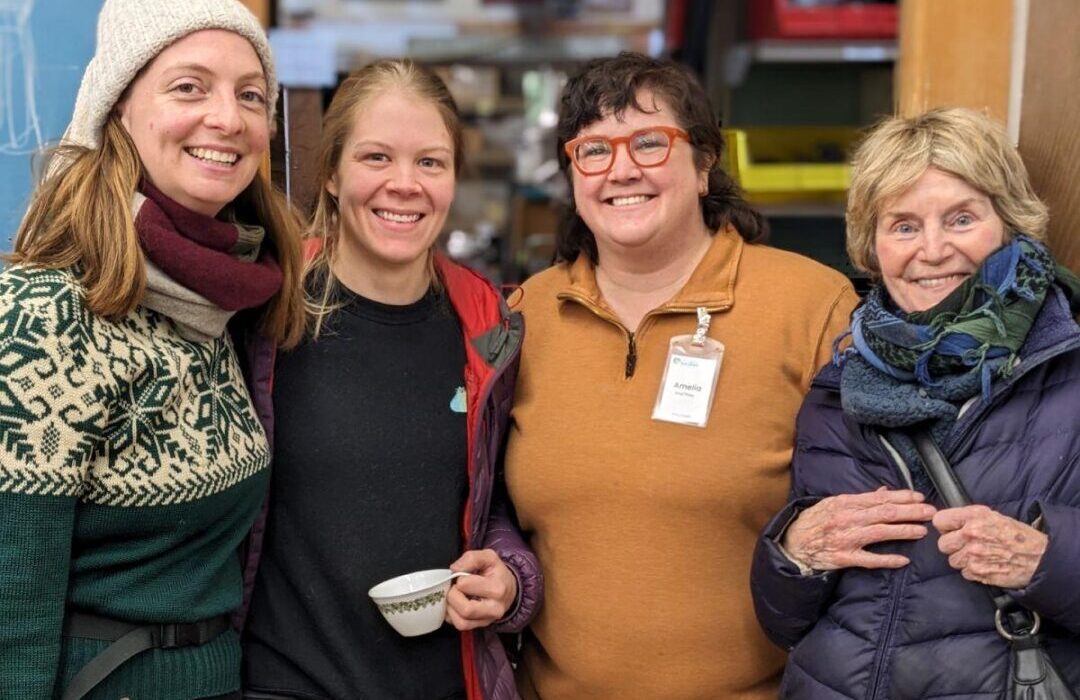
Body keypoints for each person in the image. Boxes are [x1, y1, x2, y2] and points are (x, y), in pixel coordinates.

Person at [503, 52, 859, 699]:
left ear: (702, 165)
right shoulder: (527, 315)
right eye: (594, 150)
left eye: (648, 142)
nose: (621, 169)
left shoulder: (812, 305)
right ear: (572, 175)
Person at [0, 0, 305, 698]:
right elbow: (9, 607)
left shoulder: (221, 303)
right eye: (189, 86)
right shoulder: (45, 314)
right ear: (118, 109)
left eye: (251, 95)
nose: (228, 118)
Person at [750, 108, 1080, 697]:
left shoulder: (1069, 367)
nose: (932, 249)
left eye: (960, 218)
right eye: (903, 226)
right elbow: (784, 622)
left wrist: (1046, 563)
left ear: (1009, 223)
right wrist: (796, 552)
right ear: (871, 248)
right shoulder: (837, 386)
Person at [240, 59, 542, 700]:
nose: (404, 185)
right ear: (331, 174)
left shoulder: (488, 326)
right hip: (283, 682)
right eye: (376, 158)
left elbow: (500, 506)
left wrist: (510, 579)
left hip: (446, 683)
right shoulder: (265, 313)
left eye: (430, 163)